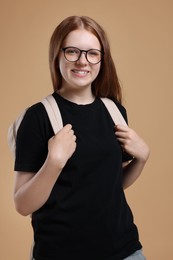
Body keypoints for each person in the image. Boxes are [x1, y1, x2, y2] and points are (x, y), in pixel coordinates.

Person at [13, 16, 150, 260]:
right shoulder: (37, 117)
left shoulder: (115, 111)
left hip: (124, 252)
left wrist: (141, 159)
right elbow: (23, 205)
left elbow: (110, 186)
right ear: (57, 55)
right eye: (72, 51)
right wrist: (53, 163)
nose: (82, 61)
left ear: (102, 58)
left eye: (92, 53)